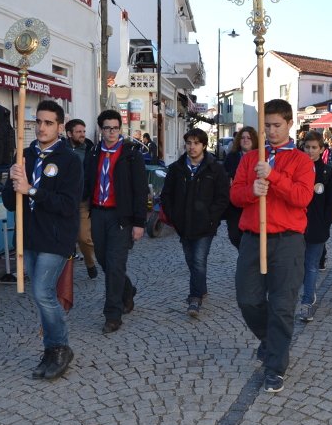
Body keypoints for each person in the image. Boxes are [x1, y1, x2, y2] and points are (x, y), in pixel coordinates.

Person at [230, 99, 314, 393]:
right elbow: (235, 195)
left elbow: (302, 198)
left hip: (288, 242)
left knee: (281, 306)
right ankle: (270, 339)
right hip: (253, 239)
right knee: (247, 299)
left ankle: (276, 365)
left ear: (290, 124)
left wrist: (273, 176)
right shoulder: (249, 158)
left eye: (276, 125)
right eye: (266, 126)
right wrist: (252, 191)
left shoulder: (302, 161)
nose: (271, 131)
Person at [3, 100, 82, 380]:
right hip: (30, 236)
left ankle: (60, 347)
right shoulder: (24, 155)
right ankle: (51, 350)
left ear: (60, 127)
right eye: (38, 122)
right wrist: (11, 180)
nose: (41, 127)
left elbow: (68, 204)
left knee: (42, 292)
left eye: (48, 123)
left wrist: (32, 190)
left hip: (56, 237)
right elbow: (10, 203)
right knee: (41, 296)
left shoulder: (69, 160)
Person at [84, 109, 148, 334]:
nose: (111, 132)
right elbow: (86, 183)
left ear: (120, 129)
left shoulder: (131, 154)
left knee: (115, 264)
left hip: (121, 217)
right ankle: (127, 290)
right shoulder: (93, 153)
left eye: (115, 128)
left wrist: (139, 223)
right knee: (104, 261)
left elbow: (140, 191)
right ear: (101, 130)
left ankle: (113, 314)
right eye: (107, 128)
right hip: (99, 214)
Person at [161, 128, 229, 317]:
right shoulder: (176, 168)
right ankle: (202, 288)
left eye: (196, 143)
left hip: (205, 226)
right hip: (183, 224)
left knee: (199, 260)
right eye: (189, 143)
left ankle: (194, 298)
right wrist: (174, 216)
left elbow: (223, 197)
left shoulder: (215, 168)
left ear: (204, 145)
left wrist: (211, 217)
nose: (192, 147)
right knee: (191, 260)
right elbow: (166, 195)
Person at [297, 132, 332, 322]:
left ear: (322, 149)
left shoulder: (327, 172)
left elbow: (331, 203)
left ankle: (307, 302)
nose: (310, 151)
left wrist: (325, 225)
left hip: (316, 227)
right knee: (296, 265)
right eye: (307, 147)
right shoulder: (295, 169)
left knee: (311, 266)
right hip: (295, 226)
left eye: (314, 147)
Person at [65, 118, 97, 279]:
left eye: (83, 131)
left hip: (83, 200)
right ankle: (61, 273)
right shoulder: (61, 150)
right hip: (64, 201)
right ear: (69, 133)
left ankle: (90, 263)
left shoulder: (91, 149)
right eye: (78, 132)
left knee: (84, 237)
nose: (82, 134)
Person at [223, 126, 258, 249]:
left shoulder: (260, 156)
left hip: (253, 202)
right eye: (242, 138)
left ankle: (246, 260)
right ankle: (244, 254)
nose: (245, 140)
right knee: (235, 236)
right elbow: (224, 174)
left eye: (249, 138)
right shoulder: (232, 157)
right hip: (234, 204)